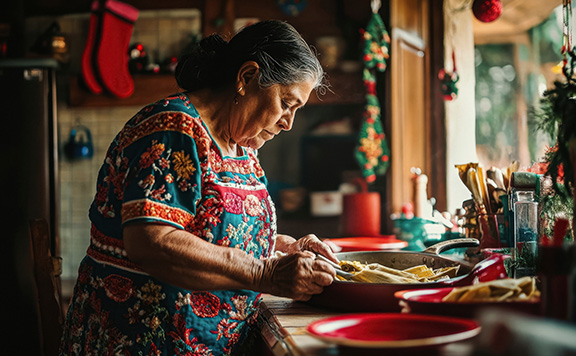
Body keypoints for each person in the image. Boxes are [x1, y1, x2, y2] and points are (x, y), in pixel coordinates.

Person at [60, 20, 338, 356]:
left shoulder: (242, 146)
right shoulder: (174, 130)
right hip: (144, 342)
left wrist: (286, 249)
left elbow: (217, 232)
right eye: (286, 103)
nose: (288, 123)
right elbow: (151, 242)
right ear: (246, 77)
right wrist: (265, 272)